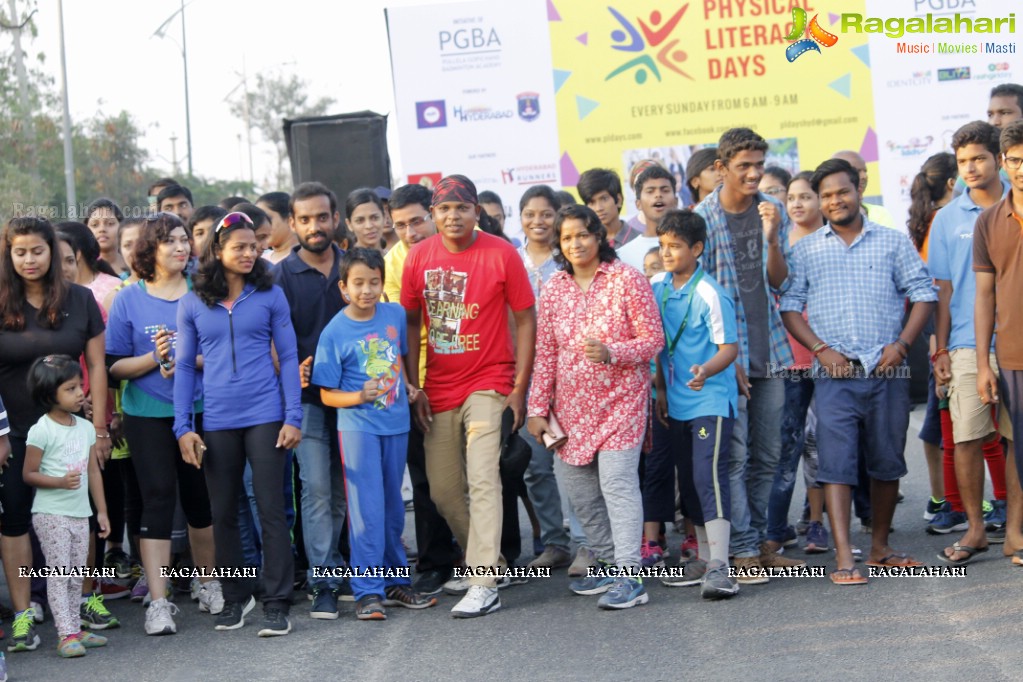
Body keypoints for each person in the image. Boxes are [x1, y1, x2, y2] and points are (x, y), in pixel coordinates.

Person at [781, 158, 937, 585]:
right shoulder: (806, 249)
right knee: (835, 465)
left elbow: (922, 294)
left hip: (887, 373)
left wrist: (902, 345)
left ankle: (881, 548)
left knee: (887, 462)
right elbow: (789, 306)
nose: (835, 201)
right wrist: (820, 349)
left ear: (858, 190)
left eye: (841, 191)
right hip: (834, 377)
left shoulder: (891, 241)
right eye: (826, 195)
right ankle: (845, 558)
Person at [401, 175, 536, 618]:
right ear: (433, 215)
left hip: (490, 381)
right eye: (444, 209)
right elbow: (412, 324)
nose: (453, 216)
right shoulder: (418, 257)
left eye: (462, 208)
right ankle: (491, 564)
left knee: (483, 476)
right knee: (442, 490)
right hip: (438, 388)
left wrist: (518, 388)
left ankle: (481, 582)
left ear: (477, 211)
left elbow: (525, 320)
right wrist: (412, 384)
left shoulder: (501, 254)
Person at [527, 204, 661, 610]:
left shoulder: (627, 280)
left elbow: (652, 340)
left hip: (622, 403)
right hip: (570, 411)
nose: (575, 243)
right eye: (566, 238)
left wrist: (612, 352)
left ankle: (630, 575)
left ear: (598, 236)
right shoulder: (554, 289)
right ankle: (606, 560)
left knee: (617, 485)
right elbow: (545, 353)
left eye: (582, 234)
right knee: (581, 493)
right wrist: (536, 407)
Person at [173, 211, 302, 635]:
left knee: (270, 509)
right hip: (219, 420)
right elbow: (186, 370)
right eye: (239, 247)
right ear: (218, 250)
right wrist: (183, 427)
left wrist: (292, 415)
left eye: (254, 246)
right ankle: (236, 596)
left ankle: (277, 601)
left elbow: (286, 359)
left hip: (266, 415)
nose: (250, 253)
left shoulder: (270, 294)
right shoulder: (194, 301)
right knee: (222, 510)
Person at [697, 127, 804, 582]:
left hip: (772, 349)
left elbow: (781, 282)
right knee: (734, 458)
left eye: (759, 164)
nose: (755, 173)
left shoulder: (772, 210)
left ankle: (761, 542)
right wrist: (728, 356)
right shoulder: (701, 218)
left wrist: (774, 236)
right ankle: (740, 548)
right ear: (720, 169)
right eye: (744, 166)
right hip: (728, 358)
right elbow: (698, 298)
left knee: (770, 454)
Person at [0, 217, 111, 653]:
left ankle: (78, 604)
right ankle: (26, 613)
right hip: (15, 435)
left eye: (37, 250)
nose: (29, 259)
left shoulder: (81, 300)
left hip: (69, 435)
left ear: (52, 251)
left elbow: (98, 367)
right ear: (9, 255)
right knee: (14, 524)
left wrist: (98, 428)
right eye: (20, 251)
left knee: (73, 521)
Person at [106, 212, 220, 635]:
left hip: (200, 409)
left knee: (199, 497)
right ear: (149, 249)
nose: (180, 247)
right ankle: (158, 601)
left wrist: (184, 359)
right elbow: (113, 366)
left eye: (184, 239)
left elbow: (225, 350)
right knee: (156, 498)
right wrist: (157, 358)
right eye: (169, 240)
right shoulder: (128, 299)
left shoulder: (205, 291)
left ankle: (208, 583)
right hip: (146, 414)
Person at [313, 248, 437, 619]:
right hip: (357, 428)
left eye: (374, 282)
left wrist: (410, 388)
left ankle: (397, 583)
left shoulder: (395, 314)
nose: (367, 290)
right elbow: (324, 394)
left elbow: (398, 356)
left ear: (383, 283)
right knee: (366, 511)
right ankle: (368, 591)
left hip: (395, 424)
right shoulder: (334, 331)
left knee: (393, 509)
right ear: (343, 287)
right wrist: (358, 396)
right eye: (358, 283)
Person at [930, 122, 1012, 560]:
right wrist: (940, 348)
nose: (971, 168)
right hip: (964, 343)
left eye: (978, 158)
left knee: (1015, 440)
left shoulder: (1016, 205)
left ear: (998, 159)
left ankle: (1015, 528)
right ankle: (976, 530)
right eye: (962, 162)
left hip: (1015, 338)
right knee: (965, 438)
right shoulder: (946, 219)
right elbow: (941, 289)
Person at [651, 210, 739, 599]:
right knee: (686, 482)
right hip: (674, 401)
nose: (666, 253)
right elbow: (655, 343)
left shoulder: (711, 294)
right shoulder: (656, 286)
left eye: (675, 246)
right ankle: (703, 558)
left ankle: (722, 566)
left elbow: (730, 348)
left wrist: (705, 369)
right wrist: (662, 391)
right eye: (662, 245)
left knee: (707, 478)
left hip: (709, 400)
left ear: (697, 248)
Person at [271, 182, 348, 619]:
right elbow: (266, 339)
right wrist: (287, 367)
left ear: (335, 219)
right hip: (307, 403)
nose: (315, 226)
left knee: (339, 493)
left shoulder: (353, 267)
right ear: (292, 223)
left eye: (323, 217)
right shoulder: (278, 277)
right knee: (316, 489)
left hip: (357, 401)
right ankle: (323, 580)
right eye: (305, 219)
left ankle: (334, 568)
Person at [383, 184, 460, 596]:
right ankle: (434, 562)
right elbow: (398, 329)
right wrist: (411, 384)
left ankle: (490, 555)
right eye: (400, 225)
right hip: (415, 381)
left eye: (416, 221)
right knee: (426, 477)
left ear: (432, 215)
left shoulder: (464, 250)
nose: (410, 232)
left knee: (479, 474)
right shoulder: (390, 264)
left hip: (467, 375)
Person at [23, 355, 111, 657]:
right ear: (50, 394)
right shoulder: (41, 430)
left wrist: (101, 511)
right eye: (70, 389)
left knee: (77, 574)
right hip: (51, 515)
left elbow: (93, 472)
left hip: (79, 513)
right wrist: (59, 482)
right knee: (60, 574)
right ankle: (65, 634)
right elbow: (28, 474)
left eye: (78, 386)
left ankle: (75, 627)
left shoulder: (85, 427)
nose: (79, 393)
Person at [765, 171, 829, 555]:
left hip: (827, 360)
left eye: (807, 196)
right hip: (787, 361)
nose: (798, 204)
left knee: (820, 445)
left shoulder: (833, 242)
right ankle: (775, 528)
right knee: (785, 448)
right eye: (791, 198)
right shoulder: (777, 245)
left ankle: (817, 523)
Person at [514, 186, 575, 571]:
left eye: (546, 214)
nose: (538, 221)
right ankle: (555, 541)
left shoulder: (569, 260)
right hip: (525, 378)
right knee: (537, 466)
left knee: (577, 463)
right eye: (530, 214)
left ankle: (590, 542)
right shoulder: (510, 260)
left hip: (568, 379)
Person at [973, 119, 1023, 567]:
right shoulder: (988, 222)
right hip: (1014, 355)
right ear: (1004, 164)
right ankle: (1017, 536)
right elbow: (984, 295)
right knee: (1021, 447)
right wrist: (985, 363)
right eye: (1016, 160)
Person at [617, 165, 679, 272]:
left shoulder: (691, 247)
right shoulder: (622, 256)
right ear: (638, 204)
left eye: (665, 190)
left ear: (676, 201)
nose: (658, 195)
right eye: (650, 191)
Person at [831, 151, 896, 229]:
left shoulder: (879, 213)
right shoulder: (822, 216)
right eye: (857, 171)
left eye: (865, 171)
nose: (864, 176)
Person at [577, 168, 637, 248]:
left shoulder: (639, 239)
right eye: (592, 202)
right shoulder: (586, 245)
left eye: (604, 199)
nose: (598, 208)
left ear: (619, 200)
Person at [84, 199, 128, 276]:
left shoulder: (134, 265)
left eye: (110, 223)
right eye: (95, 225)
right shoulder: (82, 270)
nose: (102, 229)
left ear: (122, 227)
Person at [257, 192, 297, 265]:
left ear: (289, 220)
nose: (261, 226)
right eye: (258, 221)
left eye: (268, 219)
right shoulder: (259, 262)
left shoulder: (305, 259)